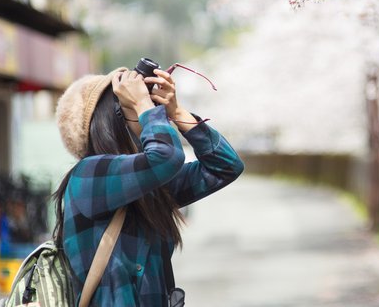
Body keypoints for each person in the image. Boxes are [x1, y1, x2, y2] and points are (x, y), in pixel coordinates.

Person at [52, 67, 244, 306]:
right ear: (110, 121)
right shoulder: (88, 175)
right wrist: (144, 105)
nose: (150, 111)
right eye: (130, 104)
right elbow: (167, 156)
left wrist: (176, 111)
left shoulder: (146, 187)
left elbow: (225, 166)